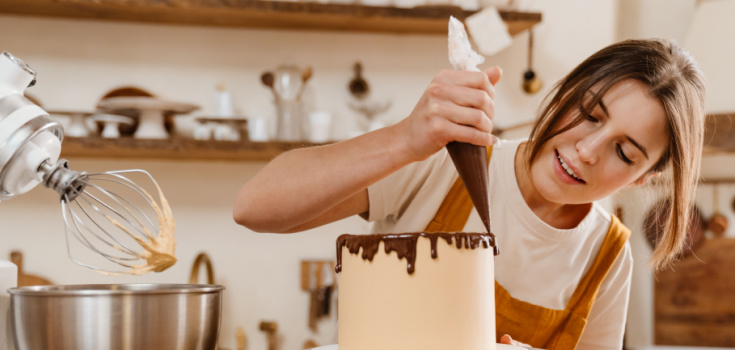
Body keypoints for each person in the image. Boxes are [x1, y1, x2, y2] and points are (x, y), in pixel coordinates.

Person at [234, 39, 706, 349]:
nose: (586, 151)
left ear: (644, 178)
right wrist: (403, 139)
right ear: (565, 93)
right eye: (590, 113)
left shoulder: (606, 255)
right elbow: (255, 208)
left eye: (624, 153)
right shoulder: (441, 161)